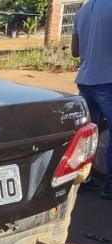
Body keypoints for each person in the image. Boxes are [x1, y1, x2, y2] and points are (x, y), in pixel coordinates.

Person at [72, 0, 112, 199]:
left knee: (87, 133)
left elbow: (74, 51)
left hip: (86, 80)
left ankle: (82, 179)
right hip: (108, 79)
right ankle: (110, 186)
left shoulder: (82, 11)